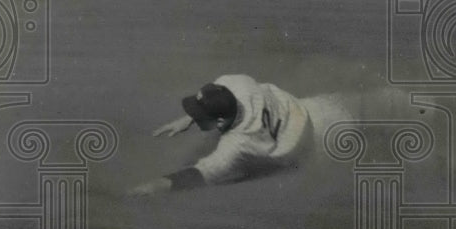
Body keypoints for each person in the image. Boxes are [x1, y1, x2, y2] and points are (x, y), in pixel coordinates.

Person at [126, 74, 352, 196]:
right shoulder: (236, 84)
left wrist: (144, 190)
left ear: (222, 120)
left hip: (322, 145)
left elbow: (193, 176)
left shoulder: (237, 146)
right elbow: (215, 96)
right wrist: (190, 117)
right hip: (324, 108)